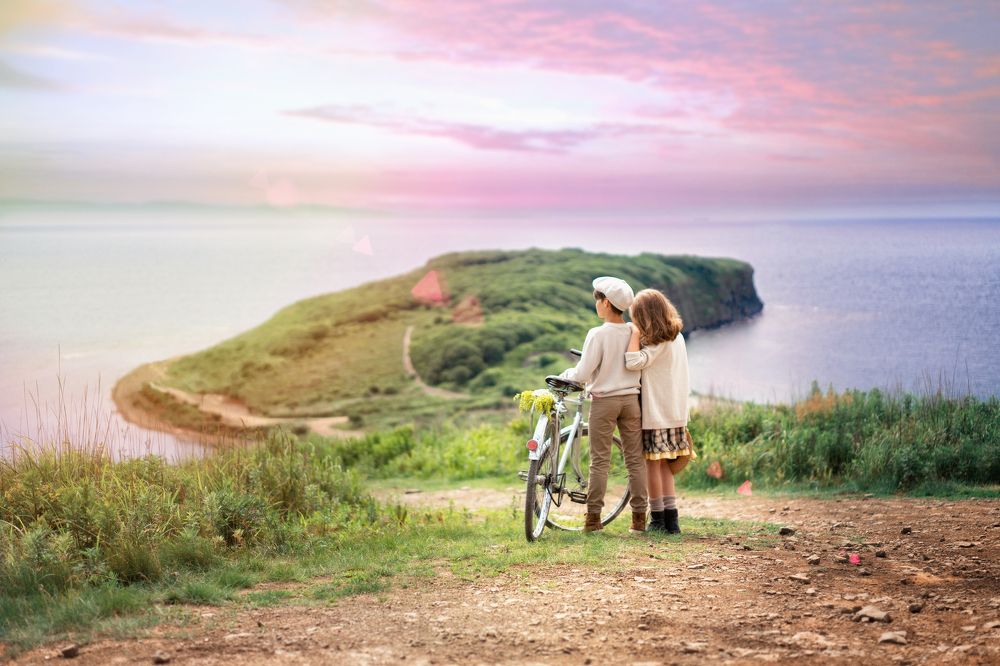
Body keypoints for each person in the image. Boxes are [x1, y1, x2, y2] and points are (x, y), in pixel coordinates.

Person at [560, 276, 648, 534]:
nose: (596, 304)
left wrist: (565, 375)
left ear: (606, 303)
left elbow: (582, 373)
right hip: (631, 401)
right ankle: (639, 522)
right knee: (635, 461)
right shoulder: (634, 330)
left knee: (600, 462)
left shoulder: (597, 334)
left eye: (597, 300)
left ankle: (593, 521)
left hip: (604, 402)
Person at [625, 289, 694, 534]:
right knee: (664, 466)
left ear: (645, 317)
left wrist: (633, 334)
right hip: (674, 412)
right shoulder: (677, 336)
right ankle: (671, 521)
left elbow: (633, 362)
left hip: (656, 414)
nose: (634, 322)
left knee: (652, 466)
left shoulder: (658, 341)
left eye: (636, 318)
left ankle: (657, 519)